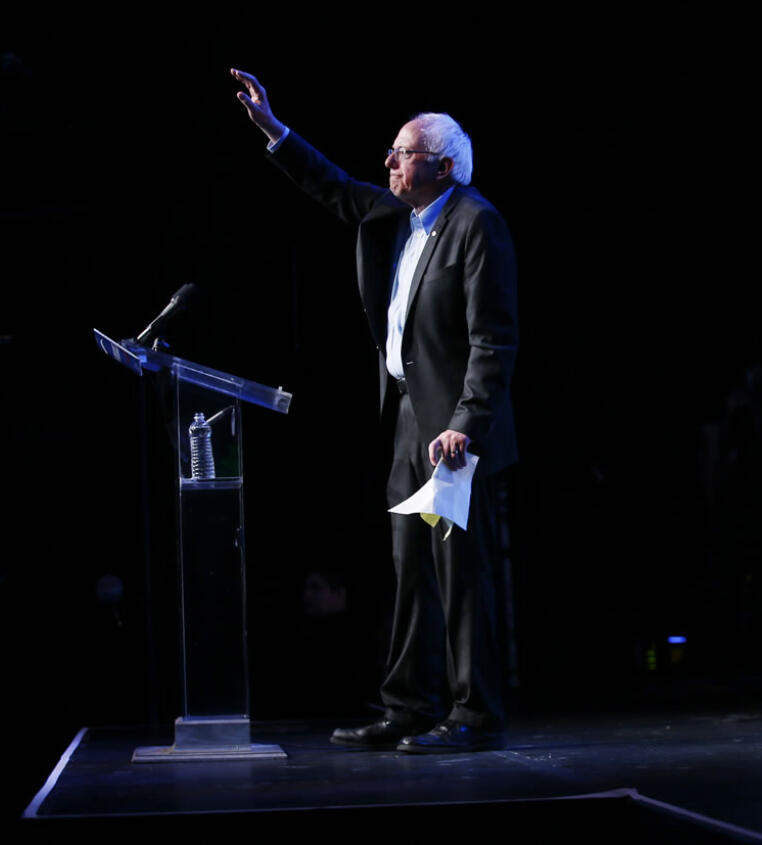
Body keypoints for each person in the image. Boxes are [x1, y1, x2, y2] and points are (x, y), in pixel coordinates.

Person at [232, 69, 517, 753]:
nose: (389, 160)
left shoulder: (476, 222)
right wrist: (273, 128)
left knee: (460, 577)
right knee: (410, 571)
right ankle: (409, 707)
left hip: (457, 431)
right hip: (411, 423)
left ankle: (473, 715)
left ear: (442, 165)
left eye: (403, 151)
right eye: (392, 150)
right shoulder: (397, 217)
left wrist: (464, 423)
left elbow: (494, 338)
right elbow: (330, 184)